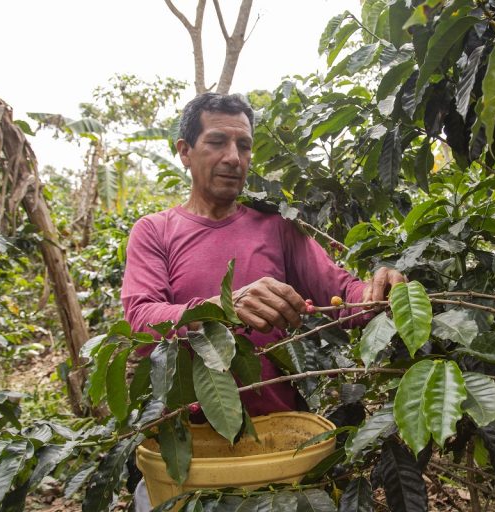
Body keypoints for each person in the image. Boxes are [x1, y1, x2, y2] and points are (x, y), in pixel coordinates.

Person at [121, 93, 405, 509]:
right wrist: (222, 309)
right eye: (217, 142)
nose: (233, 157)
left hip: (275, 441)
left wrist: (383, 289)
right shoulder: (155, 231)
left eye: (244, 145)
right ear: (184, 151)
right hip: (188, 445)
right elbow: (141, 320)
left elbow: (343, 295)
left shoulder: (276, 226)